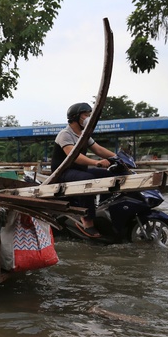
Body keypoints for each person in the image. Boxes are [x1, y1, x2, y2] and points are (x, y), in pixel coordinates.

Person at [51, 102, 121, 238]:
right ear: (76, 117)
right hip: (63, 173)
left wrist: (118, 157)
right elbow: (74, 156)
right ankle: (87, 221)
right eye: (86, 115)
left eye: (89, 115)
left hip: (80, 171)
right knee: (87, 180)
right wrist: (97, 163)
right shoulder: (65, 134)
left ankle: (102, 208)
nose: (88, 118)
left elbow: (98, 149)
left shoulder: (84, 134)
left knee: (110, 175)